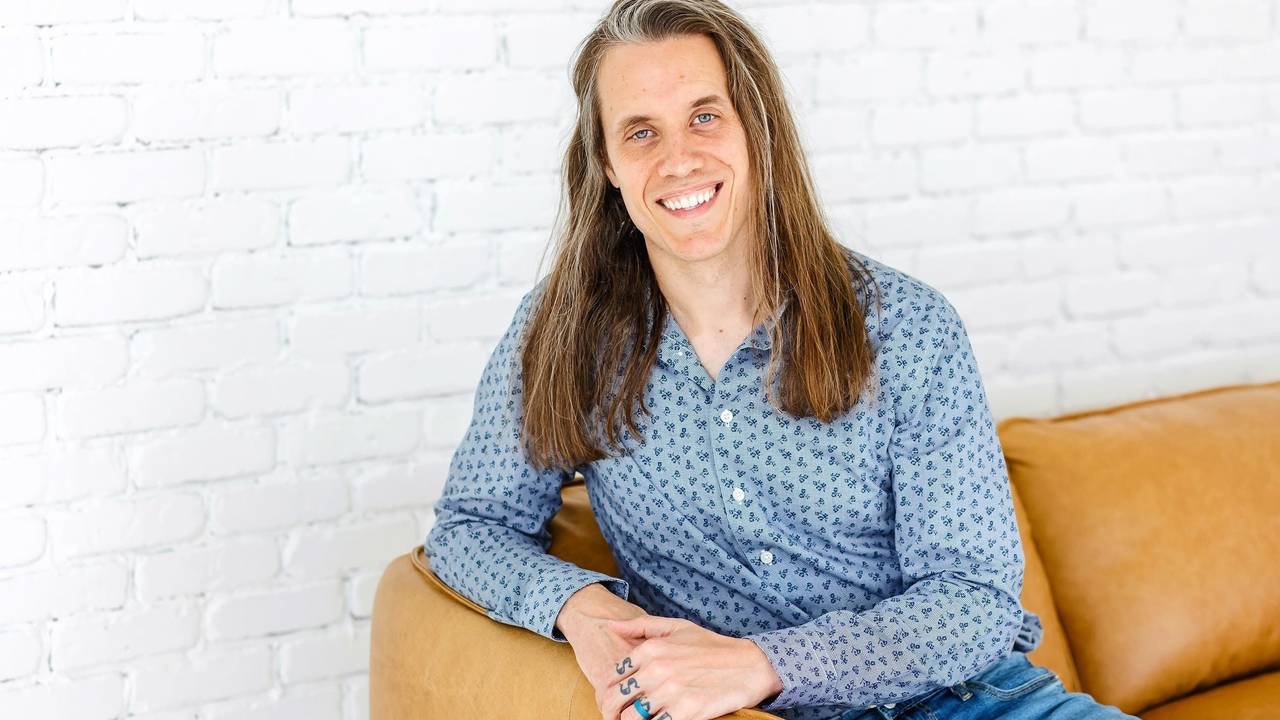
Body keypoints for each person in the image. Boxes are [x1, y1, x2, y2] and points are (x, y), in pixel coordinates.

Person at [425, 2, 1139, 719]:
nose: (678, 159)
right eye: (641, 132)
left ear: (758, 131)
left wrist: (764, 664)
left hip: (966, 702)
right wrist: (583, 609)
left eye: (706, 117)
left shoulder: (907, 328)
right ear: (607, 163)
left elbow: (975, 599)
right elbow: (471, 526)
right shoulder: (564, 333)